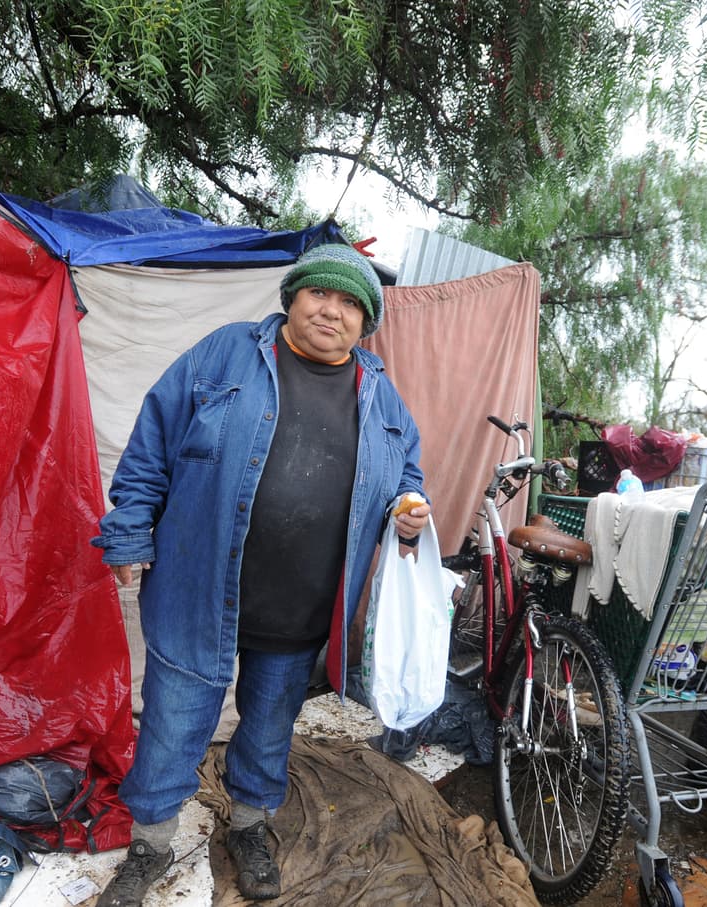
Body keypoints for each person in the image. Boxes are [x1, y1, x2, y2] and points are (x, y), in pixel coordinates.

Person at [90, 243, 431, 905]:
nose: (331, 309)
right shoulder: (227, 354)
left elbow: (407, 479)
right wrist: (129, 531)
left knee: (269, 729)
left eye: (350, 302)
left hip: (300, 610)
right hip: (198, 593)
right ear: (293, 298)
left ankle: (248, 825)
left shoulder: (383, 397)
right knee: (171, 727)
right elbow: (153, 440)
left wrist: (409, 509)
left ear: (366, 323)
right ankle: (150, 844)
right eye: (319, 293)